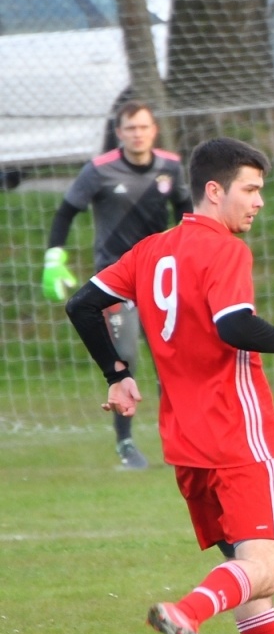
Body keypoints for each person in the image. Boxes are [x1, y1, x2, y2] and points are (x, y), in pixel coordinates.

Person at [64, 137, 274, 634]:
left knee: (245, 576)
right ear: (214, 190)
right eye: (250, 189)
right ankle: (184, 611)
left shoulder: (152, 250)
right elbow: (234, 326)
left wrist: (118, 373)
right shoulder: (225, 250)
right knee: (262, 571)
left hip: (184, 444)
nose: (258, 202)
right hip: (238, 436)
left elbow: (84, 305)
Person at [42, 101, 191, 470]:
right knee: (125, 357)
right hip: (115, 280)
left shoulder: (170, 167)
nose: (137, 133)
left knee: (169, 361)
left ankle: (179, 440)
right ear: (119, 132)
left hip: (159, 280)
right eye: (130, 128)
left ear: (153, 130)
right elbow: (66, 211)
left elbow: (188, 213)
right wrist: (53, 257)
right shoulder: (99, 170)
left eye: (143, 127)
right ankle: (125, 444)